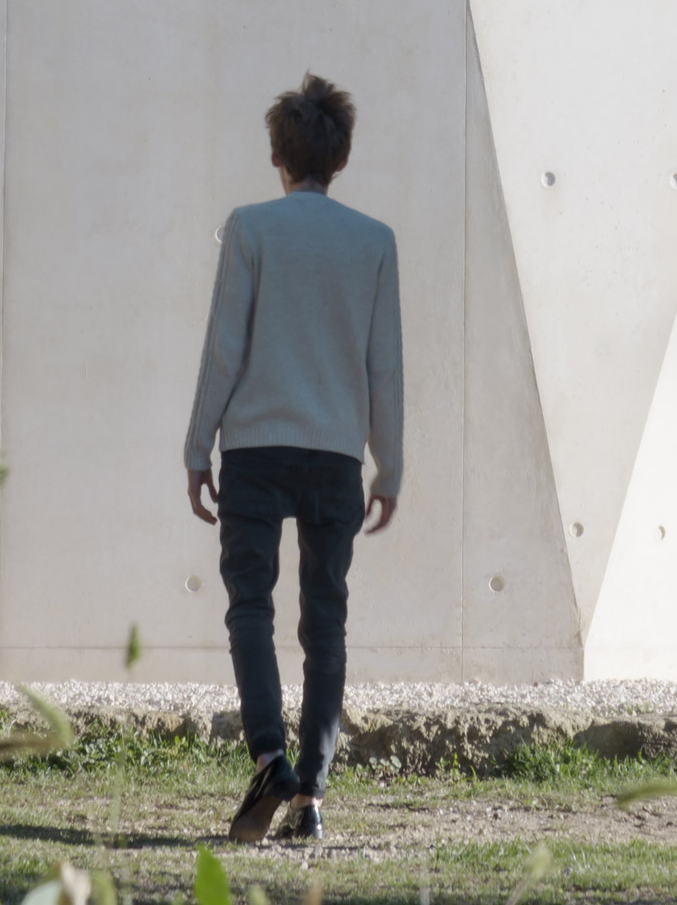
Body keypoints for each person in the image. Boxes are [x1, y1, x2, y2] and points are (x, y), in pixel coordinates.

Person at [185, 73, 403, 843]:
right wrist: (391, 465)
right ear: (339, 158)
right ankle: (310, 799)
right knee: (327, 620)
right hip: (336, 455)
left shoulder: (250, 228)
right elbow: (385, 365)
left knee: (251, 605)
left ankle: (269, 757)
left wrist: (196, 444)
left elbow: (224, 349)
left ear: (277, 153)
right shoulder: (374, 241)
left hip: (253, 446)